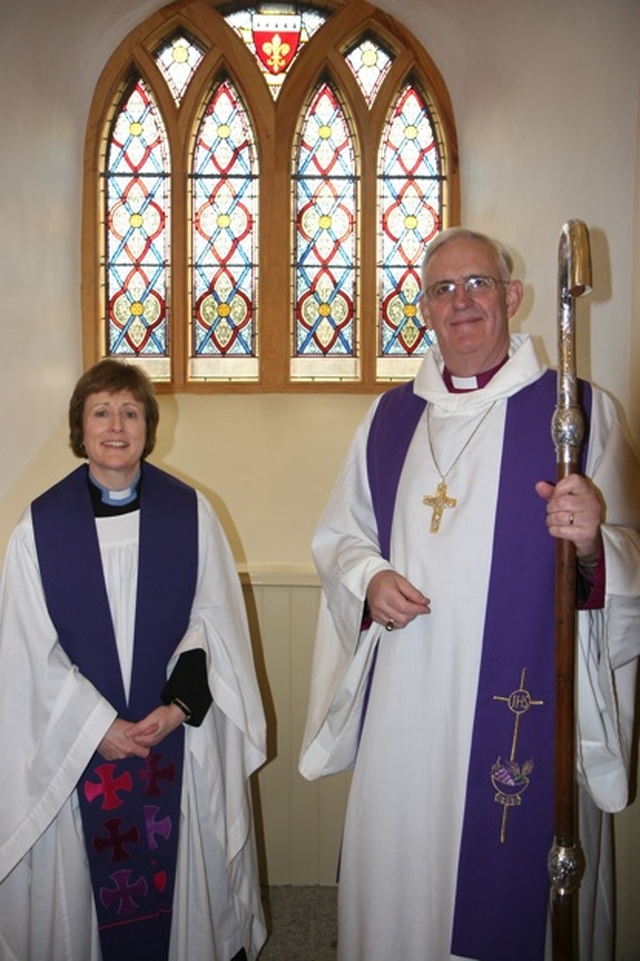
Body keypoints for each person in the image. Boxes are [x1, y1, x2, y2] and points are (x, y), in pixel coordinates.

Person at [299, 227, 640, 960]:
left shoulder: (577, 414)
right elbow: (340, 539)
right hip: (406, 715)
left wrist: (590, 543)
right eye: (442, 289)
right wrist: (370, 578)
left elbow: (631, 557)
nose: (462, 302)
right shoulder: (389, 419)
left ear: (513, 296)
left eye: (478, 284)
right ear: (423, 307)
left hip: (517, 711)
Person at [0, 359, 267, 961]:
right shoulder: (37, 529)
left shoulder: (190, 514)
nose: (116, 425)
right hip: (78, 755)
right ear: (80, 428)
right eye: (101, 411)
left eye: (130, 411)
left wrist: (178, 708)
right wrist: (97, 728)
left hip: (173, 739)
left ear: (148, 426)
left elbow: (214, 625)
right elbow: (25, 653)